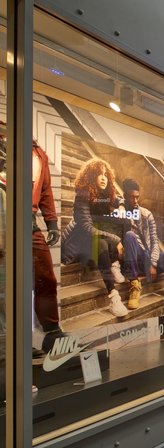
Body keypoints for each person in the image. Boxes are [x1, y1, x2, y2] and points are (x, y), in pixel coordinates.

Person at [62, 158, 129, 317]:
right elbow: (86, 228)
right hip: (76, 244)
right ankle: (114, 297)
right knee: (103, 244)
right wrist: (115, 239)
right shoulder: (82, 196)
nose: (104, 177)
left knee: (122, 223)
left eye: (106, 174)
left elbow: (119, 199)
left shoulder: (104, 193)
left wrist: (121, 206)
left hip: (91, 239)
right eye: (99, 174)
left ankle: (113, 263)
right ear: (91, 176)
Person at [31, 141, 66, 352]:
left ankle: (52, 330)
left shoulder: (38, 153)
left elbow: (45, 191)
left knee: (46, 277)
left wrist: (51, 222)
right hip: (4, 215)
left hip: (29, 222)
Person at [120, 178, 163, 310]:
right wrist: (121, 205)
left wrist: (153, 263)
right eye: (131, 197)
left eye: (137, 197)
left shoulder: (146, 214)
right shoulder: (121, 213)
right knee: (129, 235)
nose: (135, 201)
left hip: (147, 255)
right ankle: (134, 285)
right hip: (133, 257)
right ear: (125, 196)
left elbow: (155, 241)